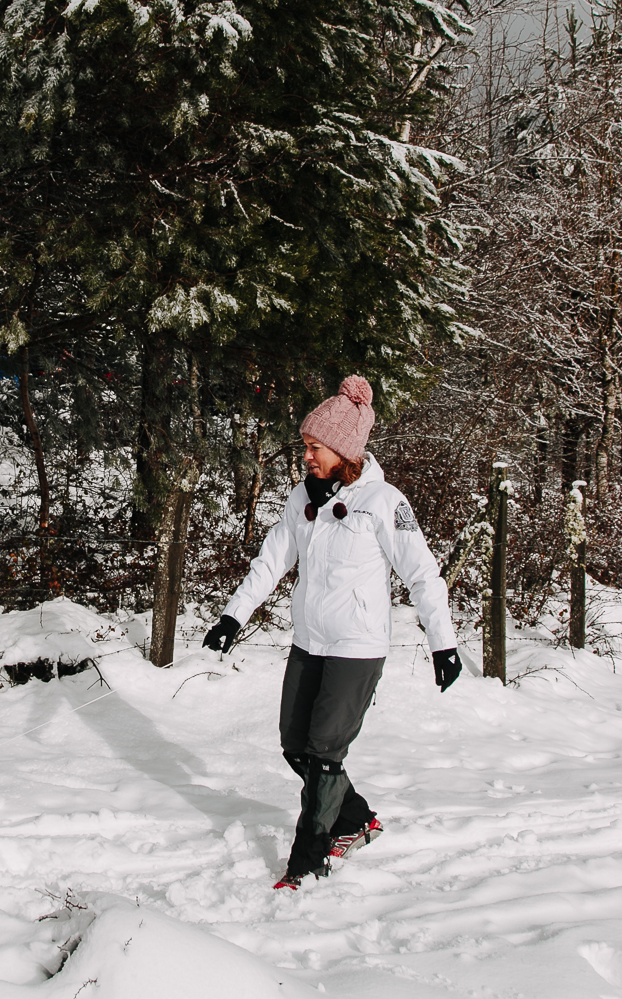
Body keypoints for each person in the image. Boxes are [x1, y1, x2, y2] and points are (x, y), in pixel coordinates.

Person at [202, 375, 462, 890]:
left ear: (343, 451)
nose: (306, 456)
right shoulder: (301, 499)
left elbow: (422, 573)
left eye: (314, 447)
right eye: (305, 446)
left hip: (357, 647)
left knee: (323, 752)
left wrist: (443, 642)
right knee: (294, 745)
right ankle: (356, 818)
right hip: (309, 641)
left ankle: (308, 860)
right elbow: (270, 561)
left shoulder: (383, 501)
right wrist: (233, 616)